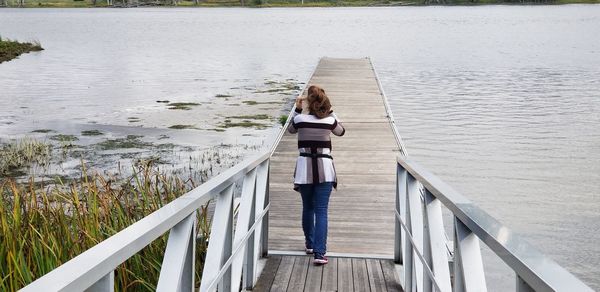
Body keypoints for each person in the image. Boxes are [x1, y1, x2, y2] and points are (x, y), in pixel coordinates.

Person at [287, 85, 345, 265]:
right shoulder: (329, 121)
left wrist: (297, 109)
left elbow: (290, 130)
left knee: (308, 208)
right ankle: (319, 254)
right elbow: (341, 131)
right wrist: (331, 111)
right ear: (324, 104)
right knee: (321, 211)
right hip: (325, 169)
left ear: (308, 103)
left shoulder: (300, 120)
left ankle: (310, 245)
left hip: (305, 170)